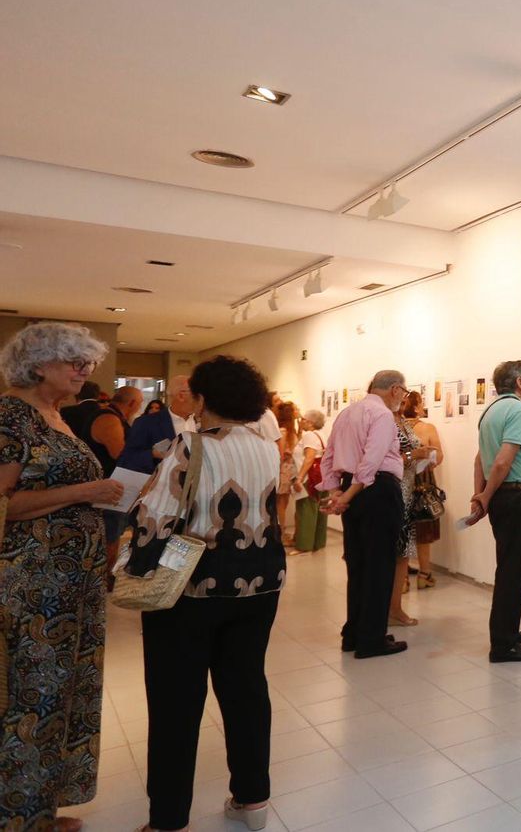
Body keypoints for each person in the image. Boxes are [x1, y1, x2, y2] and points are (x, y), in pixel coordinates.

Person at [126, 355, 285, 832]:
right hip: (260, 582)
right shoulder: (267, 448)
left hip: (191, 588)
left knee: (176, 702)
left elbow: (153, 518)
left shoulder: (189, 447)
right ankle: (252, 800)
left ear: (201, 399)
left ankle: (169, 820)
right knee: (246, 688)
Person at [0, 323, 124, 832]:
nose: (84, 371)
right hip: (33, 586)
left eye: (88, 362)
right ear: (37, 364)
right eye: (73, 360)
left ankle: (42, 808)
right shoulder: (10, 414)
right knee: (31, 697)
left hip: (72, 584)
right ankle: (19, 818)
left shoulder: (56, 416)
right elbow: (5, 503)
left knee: (63, 694)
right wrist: (81, 492)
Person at [319, 371, 409, 659]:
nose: (403, 399)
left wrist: (336, 492)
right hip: (377, 491)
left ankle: (354, 633)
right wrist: (345, 496)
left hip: (353, 491)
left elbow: (329, 456)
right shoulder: (381, 415)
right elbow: (371, 462)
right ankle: (372, 638)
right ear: (395, 389)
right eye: (404, 393)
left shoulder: (348, 412)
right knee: (380, 565)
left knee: (358, 565)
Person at [468, 360, 521, 663]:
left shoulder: (491, 411)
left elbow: (480, 460)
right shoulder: (517, 411)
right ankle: (503, 644)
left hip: (505, 498)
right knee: (513, 572)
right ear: (519, 383)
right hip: (515, 498)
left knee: (509, 569)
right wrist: (485, 496)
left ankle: (507, 632)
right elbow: (501, 461)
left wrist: (480, 495)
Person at [386, 396, 435, 628]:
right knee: (390, 553)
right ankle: (387, 609)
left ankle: (394, 608)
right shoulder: (386, 421)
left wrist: (421, 457)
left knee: (403, 552)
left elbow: (407, 457)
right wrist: (413, 456)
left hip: (407, 490)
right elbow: (385, 459)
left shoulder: (403, 424)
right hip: (391, 492)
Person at [400, 392, 443, 589]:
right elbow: (438, 456)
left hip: (399, 480)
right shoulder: (427, 428)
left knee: (403, 528)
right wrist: (429, 463)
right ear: (416, 407)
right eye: (421, 403)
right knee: (423, 527)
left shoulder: (396, 427)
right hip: (422, 481)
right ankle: (424, 575)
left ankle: (402, 579)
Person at [293, 409, 329, 553]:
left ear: (311, 422)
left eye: (303, 419)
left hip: (310, 478)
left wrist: (299, 478)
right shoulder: (322, 435)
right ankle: (318, 542)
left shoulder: (309, 436)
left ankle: (304, 545)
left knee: (306, 510)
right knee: (320, 509)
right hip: (322, 475)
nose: (300, 421)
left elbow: (309, 458)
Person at [274, 401, 300, 550]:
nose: (298, 411)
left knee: (284, 503)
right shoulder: (283, 431)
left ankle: (282, 533)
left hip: (288, 470)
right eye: (296, 409)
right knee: (281, 504)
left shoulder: (291, 431)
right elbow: (281, 453)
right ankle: (281, 534)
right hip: (283, 470)